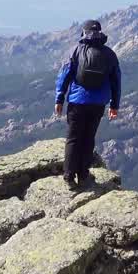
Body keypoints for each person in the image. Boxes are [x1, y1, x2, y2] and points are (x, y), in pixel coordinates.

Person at [54, 19, 121, 187]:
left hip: (77, 102)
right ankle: (83, 174)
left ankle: (69, 177)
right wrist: (114, 105)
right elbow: (116, 81)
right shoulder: (109, 54)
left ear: (83, 33)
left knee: (73, 138)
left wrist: (59, 98)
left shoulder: (76, 51)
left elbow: (65, 76)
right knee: (88, 138)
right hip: (98, 104)